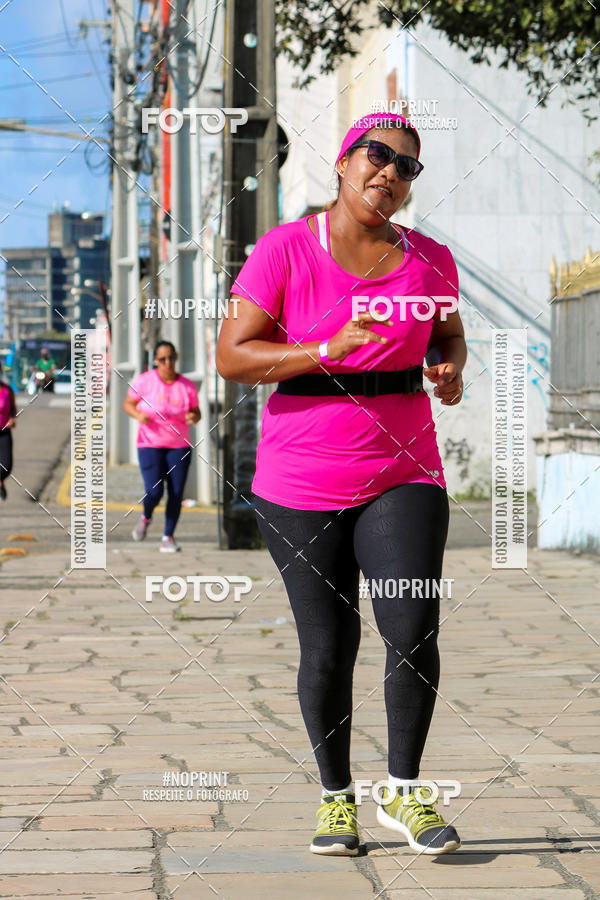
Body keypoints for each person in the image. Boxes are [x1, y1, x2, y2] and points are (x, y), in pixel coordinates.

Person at [216, 112, 467, 856]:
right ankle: (335, 799)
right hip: (299, 480)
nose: (389, 173)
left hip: (404, 470)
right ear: (345, 161)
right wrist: (323, 348)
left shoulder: (429, 261)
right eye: (378, 156)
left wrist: (450, 367)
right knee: (328, 645)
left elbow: (447, 331)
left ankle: (407, 793)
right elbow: (233, 355)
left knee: (411, 627)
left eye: (406, 167)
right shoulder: (285, 249)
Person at [123, 341, 201, 552]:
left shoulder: (187, 386)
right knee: (155, 491)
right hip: (150, 443)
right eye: (163, 359)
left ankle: (168, 537)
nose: (168, 363)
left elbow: (196, 411)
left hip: (179, 446)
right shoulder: (144, 381)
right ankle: (146, 516)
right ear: (155, 361)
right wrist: (138, 414)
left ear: (176, 359)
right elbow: (128, 404)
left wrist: (193, 416)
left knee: (176, 493)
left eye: (171, 358)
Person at [0, 359, 17, 501]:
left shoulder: (7, 390)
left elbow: (13, 410)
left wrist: (12, 419)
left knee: (7, 465)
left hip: (4, 431)